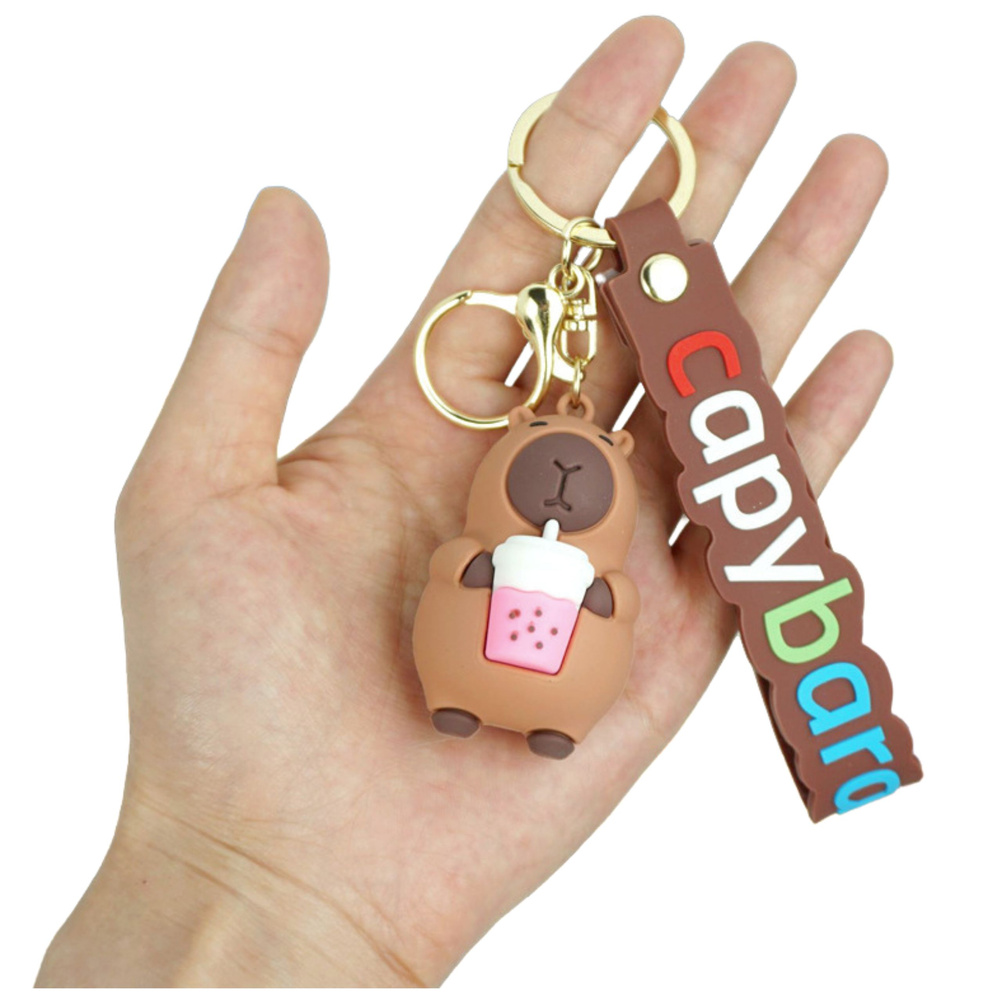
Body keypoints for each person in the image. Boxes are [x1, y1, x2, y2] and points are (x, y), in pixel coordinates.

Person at [35, 16, 892, 987]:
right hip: (478, 640)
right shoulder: (492, 529)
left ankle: (553, 719)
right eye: (549, 462)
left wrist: (596, 599)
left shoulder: (599, 552)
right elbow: (460, 567)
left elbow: (601, 602)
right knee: (477, 615)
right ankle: (465, 700)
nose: (563, 483)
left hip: (563, 652)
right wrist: (253, 880)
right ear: (516, 443)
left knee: (575, 648)